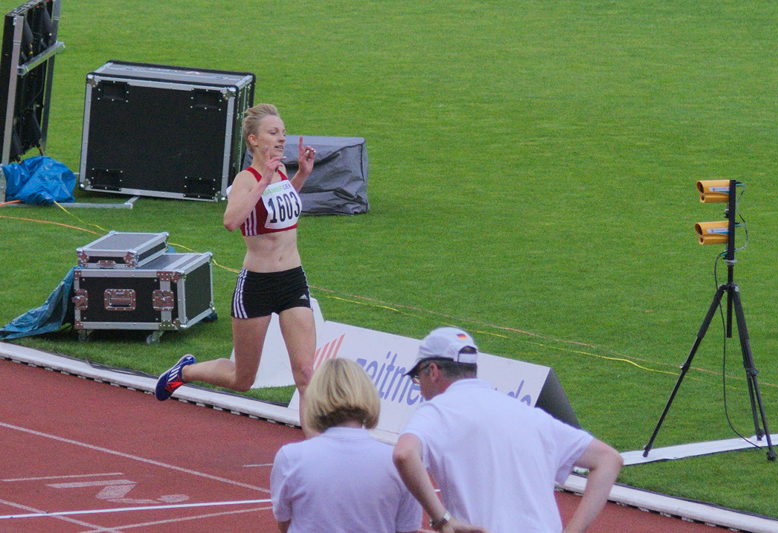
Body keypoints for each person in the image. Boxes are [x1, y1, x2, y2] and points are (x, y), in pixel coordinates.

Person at [155, 104, 317, 422]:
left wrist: (300, 176)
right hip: (257, 286)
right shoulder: (247, 179)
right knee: (243, 379)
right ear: (254, 140)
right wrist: (264, 180)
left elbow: (279, 210)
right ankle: (185, 371)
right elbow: (232, 221)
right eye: (274, 133)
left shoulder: (282, 171)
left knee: (306, 373)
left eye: (283, 132)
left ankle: (314, 454)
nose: (282, 138)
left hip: (293, 280)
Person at [392, 327, 623, 533]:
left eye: (417, 378)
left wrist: (442, 519)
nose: (420, 388)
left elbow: (404, 454)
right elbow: (608, 459)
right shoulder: (529, 414)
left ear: (432, 371)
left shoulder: (436, 411)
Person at [270, 358, 422, 533]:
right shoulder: (398, 461)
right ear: (368, 395)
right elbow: (408, 528)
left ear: (315, 397)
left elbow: (285, 522)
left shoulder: (291, 457)